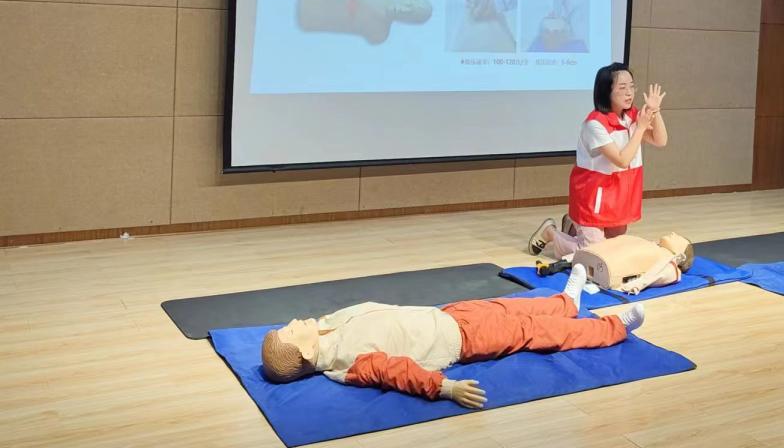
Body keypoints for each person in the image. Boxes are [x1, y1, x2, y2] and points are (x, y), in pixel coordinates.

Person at [260, 264, 645, 408]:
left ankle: (565, 302)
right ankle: (612, 328)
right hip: (463, 339)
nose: (294, 321)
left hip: (446, 315)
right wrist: (445, 388)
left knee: (509, 308)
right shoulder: (349, 363)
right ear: (307, 353)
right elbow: (399, 373)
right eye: (292, 331)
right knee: (533, 330)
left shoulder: (325, 326)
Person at [528, 63, 668, 258]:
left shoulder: (632, 117)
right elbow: (622, 160)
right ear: (606, 91)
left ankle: (573, 227)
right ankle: (550, 232)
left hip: (620, 194)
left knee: (614, 248)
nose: (629, 92)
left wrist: (655, 111)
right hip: (594, 194)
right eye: (622, 87)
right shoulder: (594, 124)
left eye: (631, 86)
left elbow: (660, 141)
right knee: (595, 255)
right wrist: (641, 128)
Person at [296, 0, 431, 44]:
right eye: (409, 5)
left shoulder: (379, 34)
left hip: (307, 20)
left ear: (409, 23)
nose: (404, 10)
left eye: (411, 15)